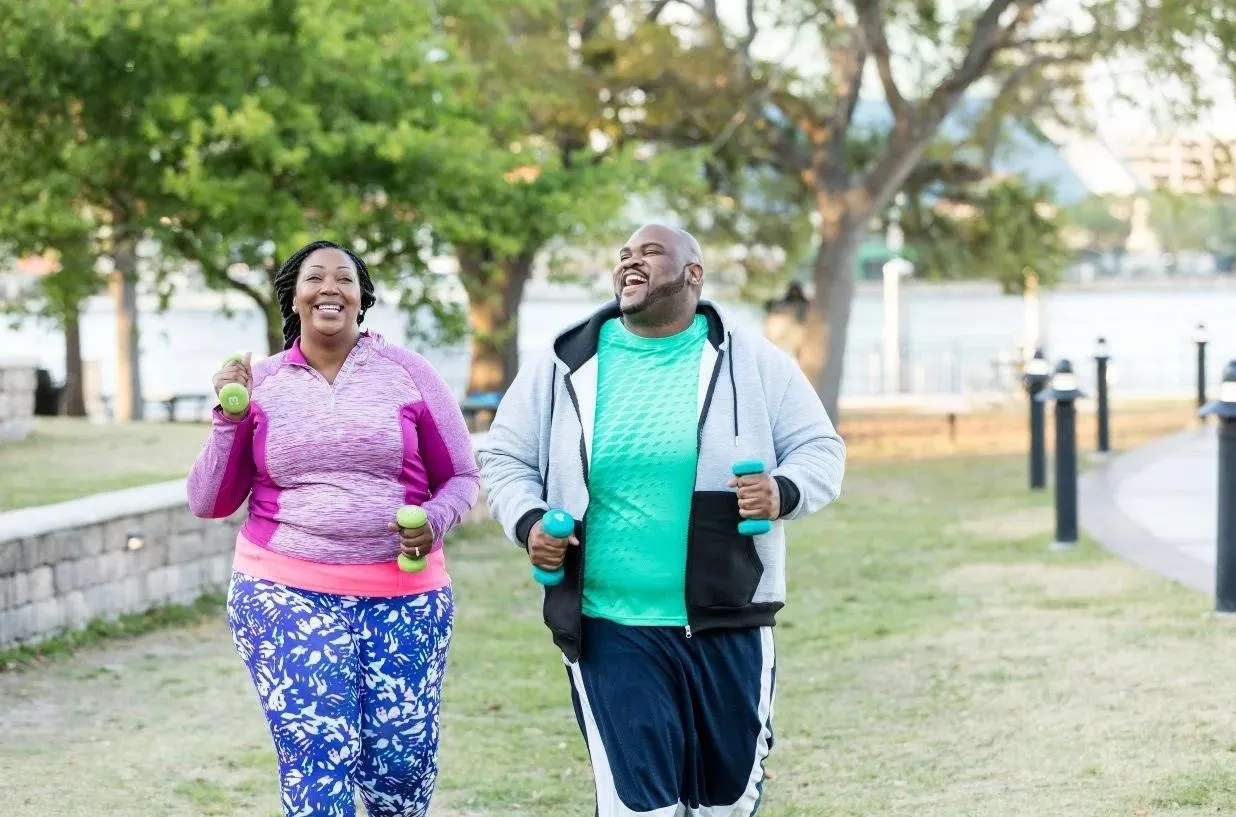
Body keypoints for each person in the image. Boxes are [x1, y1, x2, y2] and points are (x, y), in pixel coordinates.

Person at [478, 223, 846, 815]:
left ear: (692, 273)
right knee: (637, 807)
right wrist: (529, 522)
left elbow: (821, 449)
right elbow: (504, 456)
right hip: (609, 623)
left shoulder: (749, 358)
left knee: (725, 800)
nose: (630, 262)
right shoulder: (567, 359)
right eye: (623, 254)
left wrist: (782, 491)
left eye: (649, 252)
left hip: (728, 616)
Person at [186, 239, 480, 817]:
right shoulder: (263, 383)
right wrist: (230, 418)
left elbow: (463, 475)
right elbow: (209, 501)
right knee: (317, 753)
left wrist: (435, 522)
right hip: (283, 591)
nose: (330, 288)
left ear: (361, 299)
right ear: (293, 297)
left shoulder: (409, 374)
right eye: (314, 277)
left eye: (344, 279)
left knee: (401, 763)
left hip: (403, 596)